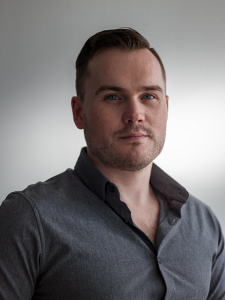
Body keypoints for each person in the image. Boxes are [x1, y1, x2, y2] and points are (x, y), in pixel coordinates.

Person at [0, 28, 224, 300]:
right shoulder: (28, 219)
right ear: (79, 113)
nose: (135, 115)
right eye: (113, 97)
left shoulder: (204, 223)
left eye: (148, 96)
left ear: (166, 107)